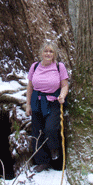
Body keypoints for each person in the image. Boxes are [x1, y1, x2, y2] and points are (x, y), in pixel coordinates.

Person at [25, 41, 69, 173]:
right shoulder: (35, 67)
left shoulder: (59, 67)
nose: (48, 53)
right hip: (37, 102)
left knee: (50, 129)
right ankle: (42, 161)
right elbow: (30, 87)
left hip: (53, 102)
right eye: (46, 51)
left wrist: (62, 95)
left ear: (54, 54)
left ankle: (55, 153)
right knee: (37, 132)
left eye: (51, 51)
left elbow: (65, 85)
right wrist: (28, 105)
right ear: (41, 53)